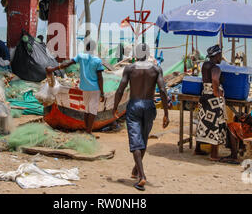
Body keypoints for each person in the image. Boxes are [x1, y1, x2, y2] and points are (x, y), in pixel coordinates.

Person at [112, 43, 170, 191]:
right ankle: (135, 170)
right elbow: (163, 90)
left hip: (134, 105)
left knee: (135, 141)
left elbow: (120, 89)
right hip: (149, 105)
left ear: (136, 53)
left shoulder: (130, 69)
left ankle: (142, 176)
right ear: (148, 53)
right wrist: (166, 113)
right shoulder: (156, 69)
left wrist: (114, 107)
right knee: (143, 139)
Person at [46, 40, 104, 135]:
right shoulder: (97, 60)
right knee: (92, 111)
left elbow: (66, 64)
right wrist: (102, 92)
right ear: (94, 49)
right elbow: (100, 77)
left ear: (86, 47)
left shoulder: (81, 56)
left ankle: (87, 130)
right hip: (94, 89)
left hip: (84, 88)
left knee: (86, 110)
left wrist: (53, 69)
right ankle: (89, 133)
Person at [194, 44, 227, 161]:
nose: (221, 57)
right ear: (217, 55)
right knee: (215, 124)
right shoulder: (215, 67)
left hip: (204, 96)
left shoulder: (205, 65)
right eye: (220, 55)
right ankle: (214, 154)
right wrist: (216, 91)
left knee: (202, 122)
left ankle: (197, 148)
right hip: (213, 99)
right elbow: (214, 79)